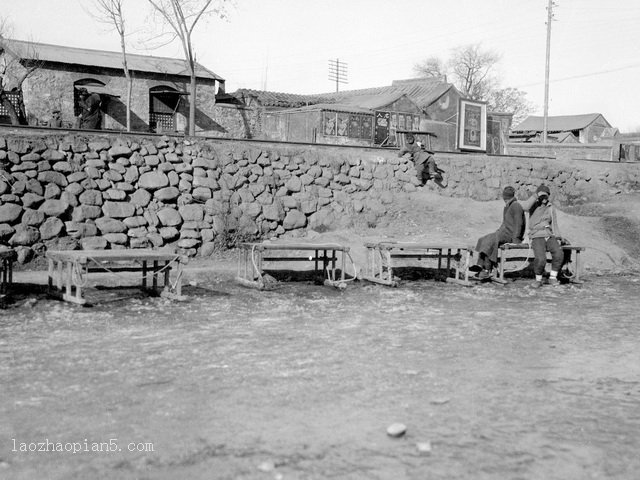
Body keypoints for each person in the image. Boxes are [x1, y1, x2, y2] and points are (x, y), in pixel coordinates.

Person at [472, 186, 525, 280]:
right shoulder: (508, 206)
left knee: (492, 240)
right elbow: (504, 223)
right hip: (503, 232)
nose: (505, 200)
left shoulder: (516, 206)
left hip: (510, 235)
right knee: (484, 238)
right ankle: (480, 265)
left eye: (506, 198)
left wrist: (516, 239)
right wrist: (498, 231)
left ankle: (487, 270)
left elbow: (519, 223)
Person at [520, 184, 564, 287]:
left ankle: (553, 277)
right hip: (536, 235)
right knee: (541, 258)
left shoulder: (550, 207)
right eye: (543, 196)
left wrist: (558, 237)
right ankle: (538, 279)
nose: (544, 198)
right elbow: (524, 207)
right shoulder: (533, 205)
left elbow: (554, 223)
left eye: (546, 196)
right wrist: (536, 195)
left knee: (558, 253)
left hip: (549, 234)